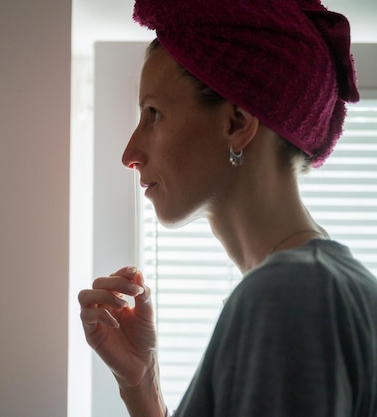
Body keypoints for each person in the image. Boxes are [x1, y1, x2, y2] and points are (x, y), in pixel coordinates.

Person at [77, 0, 377, 416]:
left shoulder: (292, 297)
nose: (130, 153)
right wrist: (141, 385)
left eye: (153, 113)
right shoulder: (316, 289)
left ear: (237, 122)